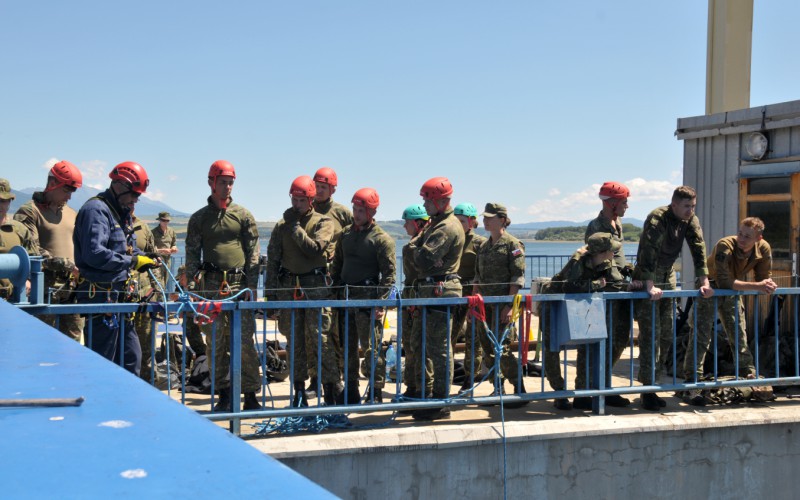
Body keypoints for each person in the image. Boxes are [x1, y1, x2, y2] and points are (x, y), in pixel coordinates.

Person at [184, 160, 262, 412]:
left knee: (244, 343)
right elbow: (193, 256)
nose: (228, 187)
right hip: (211, 287)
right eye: (223, 182)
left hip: (239, 286)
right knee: (215, 343)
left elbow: (253, 252)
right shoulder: (199, 219)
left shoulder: (243, 215)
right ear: (211, 183)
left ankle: (250, 394)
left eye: (231, 183)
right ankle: (224, 394)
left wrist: (251, 287)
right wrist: (194, 292)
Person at [633, 185, 713, 411]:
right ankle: (647, 390)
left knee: (667, 334)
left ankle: (654, 384)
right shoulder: (658, 217)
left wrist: (704, 281)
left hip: (668, 272)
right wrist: (649, 285)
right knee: (652, 335)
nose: (690, 210)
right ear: (674, 204)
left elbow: (698, 247)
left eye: (693, 206)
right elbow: (647, 252)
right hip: (649, 272)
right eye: (686, 206)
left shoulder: (690, 219)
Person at [74, 162, 158, 375]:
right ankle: (100, 406)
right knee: (103, 363)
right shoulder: (96, 210)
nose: (136, 200)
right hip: (101, 299)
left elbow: (127, 250)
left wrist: (144, 259)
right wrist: (131, 262)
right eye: (134, 194)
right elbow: (94, 254)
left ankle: (126, 407)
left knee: (131, 359)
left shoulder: (122, 212)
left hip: (120, 299)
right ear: (119, 185)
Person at [682, 217, 776, 406]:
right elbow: (725, 281)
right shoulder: (725, 245)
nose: (741, 238)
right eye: (740, 233)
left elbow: (764, 276)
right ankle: (692, 383)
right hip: (710, 286)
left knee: (738, 333)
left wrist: (768, 284)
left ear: (758, 238)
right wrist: (757, 286)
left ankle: (748, 376)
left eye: (747, 236)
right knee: (701, 335)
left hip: (734, 288)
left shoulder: (763, 248)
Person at [542, 233, 641, 411]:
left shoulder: (605, 263)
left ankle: (582, 393)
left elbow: (614, 282)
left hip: (579, 307)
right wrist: (596, 284)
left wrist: (630, 282)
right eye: (611, 250)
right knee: (552, 349)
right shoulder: (578, 260)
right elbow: (569, 286)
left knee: (586, 346)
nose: (614, 254)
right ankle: (559, 392)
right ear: (600, 252)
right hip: (554, 305)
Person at [265, 175, 337, 407]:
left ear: (310, 200)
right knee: (294, 342)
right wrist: (271, 295)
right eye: (293, 199)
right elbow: (273, 260)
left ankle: (330, 390)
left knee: (319, 340)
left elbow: (314, 250)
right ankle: (298, 392)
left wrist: (295, 227)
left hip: (314, 289)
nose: (295, 205)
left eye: (300, 200)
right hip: (289, 288)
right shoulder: (281, 226)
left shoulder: (323, 222)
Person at [572, 181, 637, 409]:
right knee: (592, 343)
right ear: (613, 204)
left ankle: (603, 386)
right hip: (602, 294)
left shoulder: (616, 224)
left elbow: (616, 259)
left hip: (616, 293)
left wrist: (629, 269)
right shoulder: (597, 227)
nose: (627, 206)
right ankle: (583, 393)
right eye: (624, 202)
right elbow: (599, 262)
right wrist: (621, 282)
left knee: (616, 341)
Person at [331, 188, 396, 403]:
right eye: (355, 209)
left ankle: (376, 391)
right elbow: (337, 265)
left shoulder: (382, 239)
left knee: (372, 348)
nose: (356, 214)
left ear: (371, 212)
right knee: (347, 347)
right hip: (347, 297)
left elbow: (388, 274)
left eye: (361, 210)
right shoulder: (345, 235)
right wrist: (335, 292)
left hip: (369, 299)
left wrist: (381, 302)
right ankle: (351, 389)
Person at [408, 177, 464, 421]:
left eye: (428, 200)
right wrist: (420, 252)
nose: (425, 205)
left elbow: (421, 259)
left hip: (440, 292)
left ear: (442, 200)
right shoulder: (435, 224)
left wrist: (423, 254)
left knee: (440, 349)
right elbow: (416, 252)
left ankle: (441, 401)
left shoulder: (446, 227)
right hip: (428, 292)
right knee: (420, 345)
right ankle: (424, 394)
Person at [14, 162, 83, 339]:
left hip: (71, 289)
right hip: (43, 291)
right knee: (42, 342)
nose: (69, 197)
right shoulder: (30, 212)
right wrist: (68, 265)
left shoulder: (71, 213)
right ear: (52, 184)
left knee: (72, 345)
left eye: (72, 192)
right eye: (66, 190)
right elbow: (33, 252)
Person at [472, 202, 527, 407]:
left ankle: (519, 388)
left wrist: (510, 305)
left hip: (502, 305)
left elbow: (517, 278)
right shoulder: (484, 247)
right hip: (484, 307)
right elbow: (477, 277)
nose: (485, 221)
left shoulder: (513, 245)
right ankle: (498, 388)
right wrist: (473, 301)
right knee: (488, 349)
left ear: (502, 220)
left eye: (490, 218)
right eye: (484, 218)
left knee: (501, 349)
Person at [308, 167, 354, 393]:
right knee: (313, 333)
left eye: (323, 187)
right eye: (316, 186)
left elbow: (354, 237)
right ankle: (315, 378)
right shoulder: (306, 210)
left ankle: (336, 377)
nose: (318, 191)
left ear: (333, 189)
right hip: (310, 280)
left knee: (334, 332)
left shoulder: (342, 213)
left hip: (333, 279)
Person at [451, 202, 486, 393]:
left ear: (471, 222)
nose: (457, 224)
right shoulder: (452, 240)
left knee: (473, 341)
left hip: (473, 295)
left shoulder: (480, 243)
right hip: (455, 295)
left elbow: (484, 270)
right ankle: (447, 376)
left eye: (462, 221)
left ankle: (469, 380)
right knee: (449, 338)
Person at [398, 204, 430, 401]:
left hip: (420, 296)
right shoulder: (410, 245)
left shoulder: (425, 247)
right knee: (408, 345)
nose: (404, 227)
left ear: (418, 224)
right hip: (410, 294)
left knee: (420, 347)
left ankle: (422, 387)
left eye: (407, 223)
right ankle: (411, 386)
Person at [131, 209, 161, 380]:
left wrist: (158, 291)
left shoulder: (143, 227)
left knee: (147, 345)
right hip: (120, 295)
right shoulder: (112, 223)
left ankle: (149, 383)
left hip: (145, 295)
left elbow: (154, 261)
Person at [0, 178, 36, 301]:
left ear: (10, 202)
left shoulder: (19, 230)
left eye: (4, 201)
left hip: (13, 300)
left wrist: (28, 280)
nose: (0, 205)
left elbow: (33, 259)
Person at [152, 211, 178, 292]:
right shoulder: (153, 232)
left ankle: (162, 298)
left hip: (168, 260)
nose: (165, 222)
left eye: (167, 221)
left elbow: (174, 243)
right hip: (158, 260)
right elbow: (151, 249)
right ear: (159, 220)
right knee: (159, 282)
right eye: (164, 220)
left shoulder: (171, 231)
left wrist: (173, 248)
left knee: (165, 280)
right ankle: (159, 299)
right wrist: (163, 250)